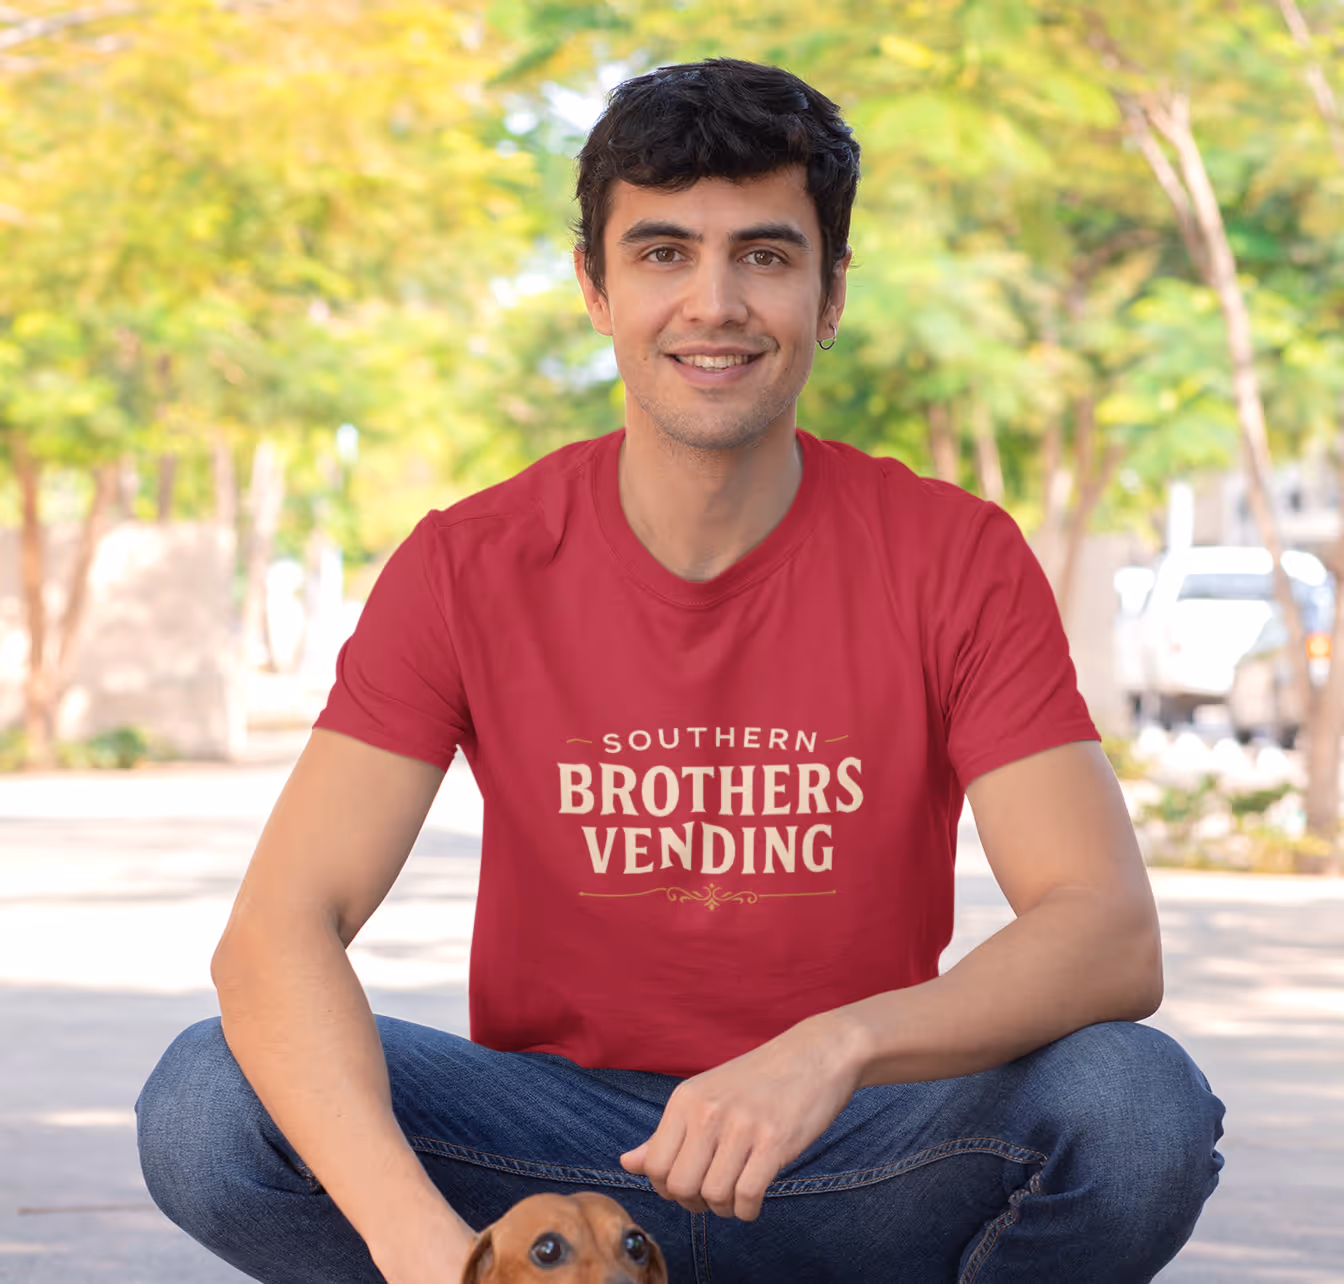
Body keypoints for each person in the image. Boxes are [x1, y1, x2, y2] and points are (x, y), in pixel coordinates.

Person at [136, 58, 1225, 1284]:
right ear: (597, 292)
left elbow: (1107, 931)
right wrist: (439, 1262)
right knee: (208, 1101)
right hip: (556, 1157)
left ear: (832, 293)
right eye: (662, 254)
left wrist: (835, 1050)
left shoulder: (951, 554)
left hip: (852, 1150)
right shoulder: (468, 562)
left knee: (1134, 1105)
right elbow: (278, 930)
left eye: (764, 254)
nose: (713, 303)